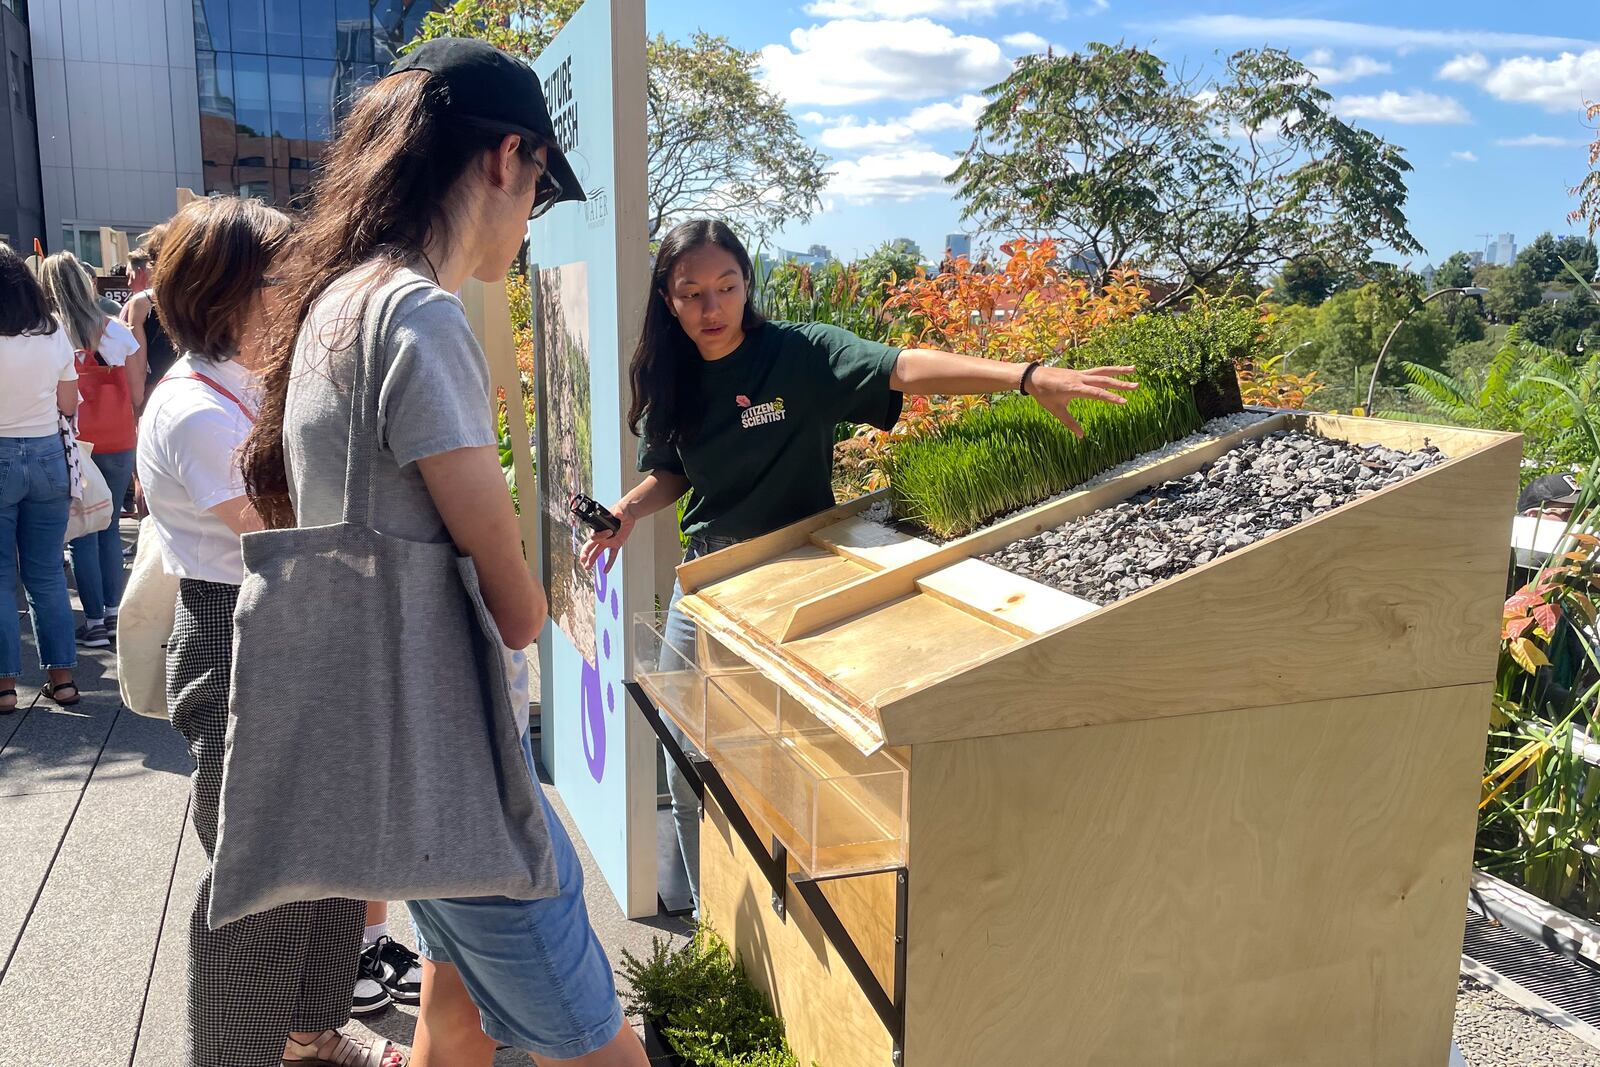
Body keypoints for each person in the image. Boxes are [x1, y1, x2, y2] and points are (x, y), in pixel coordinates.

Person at [240, 38, 647, 1067]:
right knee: (602, 1050)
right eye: (541, 185)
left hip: (397, 763)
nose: (531, 209)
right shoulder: (418, 313)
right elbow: (514, 607)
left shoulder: (341, 301)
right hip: (459, 770)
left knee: (451, 1017)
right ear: (506, 157)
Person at [579, 218, 1138, 912]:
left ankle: (791, 924)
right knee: (685, 750)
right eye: (692, 293)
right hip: (710, 583)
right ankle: (711, 914)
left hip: (800, 580)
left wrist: (1025, 377)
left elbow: (901, 365)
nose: (711, 308)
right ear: (668, 299)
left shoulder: (800, 354)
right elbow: (670, 470)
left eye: (726, 287)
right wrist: (629, 509)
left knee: (791, 759)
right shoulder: (672, 376)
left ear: (747, 286)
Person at [137, 196, 398, 1067]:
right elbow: (283, 527)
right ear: (228, 291)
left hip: (296, 622)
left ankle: (307, 1035)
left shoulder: (244, 380)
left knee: (325, 854)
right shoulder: (191, 409)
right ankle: (236, 1054)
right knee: (256, 876)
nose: (303, 289)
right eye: (285, 276)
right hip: (239, 635)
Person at [40, 251, 143, 648]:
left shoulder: (50, 334)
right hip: (119, 436)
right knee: (110, 524)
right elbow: (136, 392)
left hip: (76, 442)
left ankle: (95, 622)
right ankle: (115, 615)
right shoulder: (116, 330)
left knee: (82, 530)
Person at [0, 242, 81, 713]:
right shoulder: (52, 333)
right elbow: (68, 405)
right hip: (49, 454)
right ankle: (64, 680)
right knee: (47, 572)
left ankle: (6, 688)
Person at [123, 223, 178, 397]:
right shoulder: (204, 298)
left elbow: (138, 369)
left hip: (158, 392)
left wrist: (138, 407)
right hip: (207, 391)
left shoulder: (142, 303)